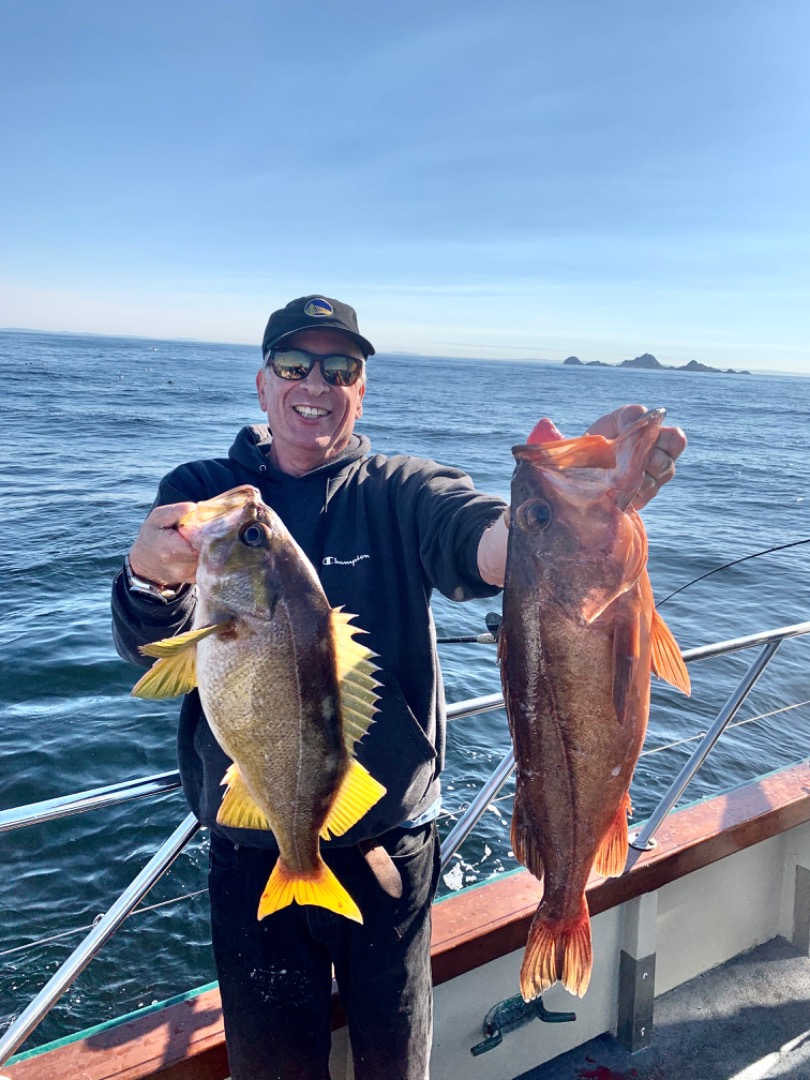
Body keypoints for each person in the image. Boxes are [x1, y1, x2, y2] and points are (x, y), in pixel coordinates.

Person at [111, 295, 685, 1080]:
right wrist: (149, 572)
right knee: (270, 1066)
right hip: (254, 845)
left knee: (395, 1061)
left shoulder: (402, 487)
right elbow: (150, 646)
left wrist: (568, 512)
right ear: (262, 384)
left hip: (392, 846)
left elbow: (486, 541)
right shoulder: (206, 489)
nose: (315, 381)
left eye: (340, 367)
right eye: (294, 363)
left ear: (361, 390)